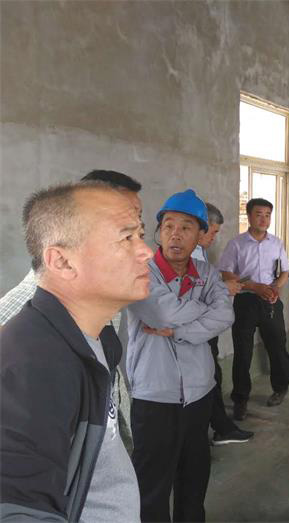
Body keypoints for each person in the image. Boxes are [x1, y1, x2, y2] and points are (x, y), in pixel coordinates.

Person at [1, 181, 152, 521]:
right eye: (127, 238)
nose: (147, 251)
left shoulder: (98, 339)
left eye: (141, 235)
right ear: (62, 261)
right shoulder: (32, 365)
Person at [127, 189, 234, 522]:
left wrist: (178, 331)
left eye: (186, 227)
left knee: (194, 479)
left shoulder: (207, 273)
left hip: (199, 393)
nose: (176, 234)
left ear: (201, 235)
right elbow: (162, 312)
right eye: (168, 226)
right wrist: (203, 310)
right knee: (152, 487)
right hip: (154, 395)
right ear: (159, 232)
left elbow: (226, 315)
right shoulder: (141, 271)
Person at [218, 198, 289, 420]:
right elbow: (226, 273)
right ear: (249, 216)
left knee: (277, 346)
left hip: (270, 300)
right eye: (259, 214)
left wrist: (275, 287)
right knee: (243, 351)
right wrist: (253, 286)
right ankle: (240, 399)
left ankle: (280, 388)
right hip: (246, 301)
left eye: (268, 215)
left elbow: (286, 271)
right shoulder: (236, 244)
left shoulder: (276, 243)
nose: (264, 219)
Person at [192, 202, 254, 444]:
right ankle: (219, 428)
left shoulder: (199, 252)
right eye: (213, 232)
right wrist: (223, 287)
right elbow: (192, 292)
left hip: (206, 326)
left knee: (212, 376)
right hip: (197, 329)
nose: (214, 238)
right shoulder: (188, 254)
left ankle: (221, 427)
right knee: (210, 377)